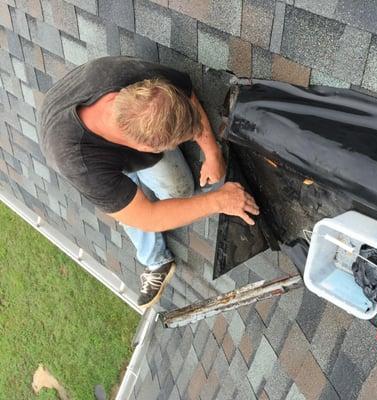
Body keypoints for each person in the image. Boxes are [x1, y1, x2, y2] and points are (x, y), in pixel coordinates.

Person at [38, 56, 259, 309]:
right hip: (83, 150)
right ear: (146, 148)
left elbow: (186, 94)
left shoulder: (137, 84)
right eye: (174, 144)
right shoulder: (82, 165)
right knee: (128, 208)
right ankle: (156, 261)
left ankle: (135, 183)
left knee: (182, 192)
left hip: (83, 107)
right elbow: (146, 217)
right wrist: (218, 200)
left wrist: (212, 152)